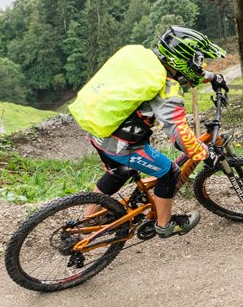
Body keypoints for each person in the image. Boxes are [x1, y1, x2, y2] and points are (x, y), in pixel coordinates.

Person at [68, 26, 228, 238]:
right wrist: (206, 153)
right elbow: (179, 133)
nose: (199, 65)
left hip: (98, 129)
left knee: (117, 173)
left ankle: (88, 221)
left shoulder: (142, 59)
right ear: (182, 60)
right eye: (196, 60)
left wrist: (211, 77)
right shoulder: (166, 88)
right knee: (170, 173)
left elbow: (182, 72)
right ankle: (165, 225)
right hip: (121, 144)